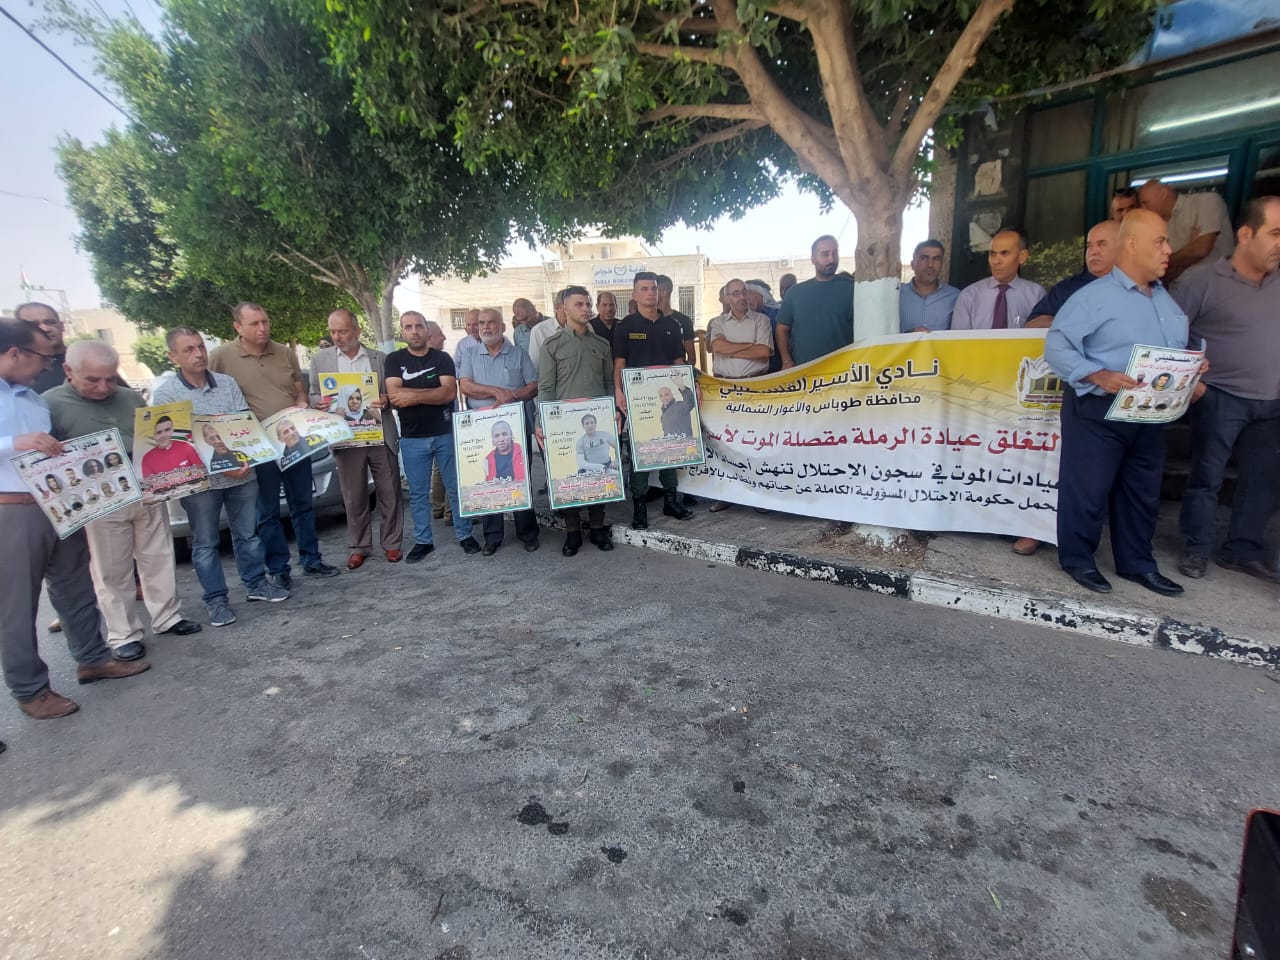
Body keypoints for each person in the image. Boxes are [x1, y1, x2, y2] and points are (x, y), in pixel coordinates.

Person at [0, 318, 150, 719]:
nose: (46, 365)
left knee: (75, 587)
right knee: (16, 606)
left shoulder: (32, 398)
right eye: (43, 357)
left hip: (58, 502)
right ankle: (31, 691)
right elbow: (20, 445)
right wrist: (14, 442)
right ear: (15, 353)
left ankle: (93, 659)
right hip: (11, 507)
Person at [1044, 208, 1192, 597]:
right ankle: (1078, 559)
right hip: (1099, 410)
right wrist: (1096, 374)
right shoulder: (1093, 297)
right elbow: (1056, 346)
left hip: (1151, 413)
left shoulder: (1166, 302)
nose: (1169, 250)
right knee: (1087, 491)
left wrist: (1190, 372)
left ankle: (1137, 564)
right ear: (1132, 244)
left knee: (1141, 494)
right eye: (1160, 241)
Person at [45, 339, 202, 661]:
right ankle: (123, 634)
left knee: (158, 555)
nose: (104, 387)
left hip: (146, 487)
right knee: (111, 568)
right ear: (69, 371)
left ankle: (167, 616)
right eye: (93, 380)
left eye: (110, 378)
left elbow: (152, 437)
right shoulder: (51, 403)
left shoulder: (129, 397)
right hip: (99, 498)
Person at [1173, 196, 1280, 582]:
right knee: (1207, 478)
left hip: (1271, 401)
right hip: (1218, 396)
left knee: (1263, 480)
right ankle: (1196, 549)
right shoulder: (1201, 281)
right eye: (1275, 233)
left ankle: (1241, 550)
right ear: (1246, 234)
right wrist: (1193, 382)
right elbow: (1171, 334)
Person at [153, 326, 288, 626]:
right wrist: (218, 465)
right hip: (201, 482)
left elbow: (243, 425)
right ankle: (216, 600)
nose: (199, 354)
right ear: (173, 356)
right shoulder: (166, 395)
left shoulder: (226, 384)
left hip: (241, 474)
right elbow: (173, 445)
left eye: (200, 346)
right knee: (205, 543)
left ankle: (256, 584)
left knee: (248, 535)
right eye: (188, 349)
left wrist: (244, 459)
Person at [209, 302, 339, 586]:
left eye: (265, 322)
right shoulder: (220, 357)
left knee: (303, 503)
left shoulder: (285, 353)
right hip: (258, 447)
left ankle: (312, 560)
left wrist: (302, 404)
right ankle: (279, 569)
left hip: (293, 441)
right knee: (267, 511)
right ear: (238, 327)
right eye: (254, 323)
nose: (262, 328)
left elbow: (299, 391)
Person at [309, 308, 405, 570]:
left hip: (378, 433)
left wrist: (386, 400)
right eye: (333, 332)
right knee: (353, 496)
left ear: (357, 331)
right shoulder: (321, 360)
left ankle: (392, 543)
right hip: (346, 438)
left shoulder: (379, 358)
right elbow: (313, 394)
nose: (337, 336)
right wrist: (317, 403)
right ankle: (359, 546)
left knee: (389, 491)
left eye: (343, 331)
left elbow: (393, 394)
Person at [385, 312, 480, 562]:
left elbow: (448, 393)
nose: (414, 331)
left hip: (445, 433)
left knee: (455, 488)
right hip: (412, 438)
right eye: (408, 327)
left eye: (419, 326)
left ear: (426, 330)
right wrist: (430, 393)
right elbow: (395, 396)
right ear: (402, 332)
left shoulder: (442, 358)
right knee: (418, 494)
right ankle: (423, 541)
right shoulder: (395, 360)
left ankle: (465, 534)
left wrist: (412, 395)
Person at [538, 285, 616, 555]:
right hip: (564, 423)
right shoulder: (552, 346)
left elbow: (608, 383)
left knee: (598, 472)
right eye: (579, 304)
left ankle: (597, 527)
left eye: (588, 304)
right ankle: (572, 531)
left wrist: (613, 414)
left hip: (597, 420)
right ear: (564, 309)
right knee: (569, 476)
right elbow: (546, 387)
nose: (586, 309)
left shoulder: (602, 345)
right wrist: (541, 421)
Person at [613, 271, 693, 528]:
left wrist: (690, 384)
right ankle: (639, 506)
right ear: (635, 294)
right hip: (639, 400)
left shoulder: (672, 325)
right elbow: (620, 363)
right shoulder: (626, 327)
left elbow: (678, 361)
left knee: (670, 447)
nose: (651, 293)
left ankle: (671, 500)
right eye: (645, 288)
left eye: (654, 288)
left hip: (668, 396)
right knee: (641, 450)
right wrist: (618, 390)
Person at [458, 308, 539, 555]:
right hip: (483, 428)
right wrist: (496, 392)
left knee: (520, 477)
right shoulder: (471, 353)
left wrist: (512, 396)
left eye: (491, 322)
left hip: (514, 426)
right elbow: (465, 386)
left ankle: (528, 533)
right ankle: (492, 537)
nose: (485, 327)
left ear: (502, 327)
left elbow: (533, 386)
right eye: (481, 323)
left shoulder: (518, 354)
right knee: (489, 479)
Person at [706, 279, 774, 512]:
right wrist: (748, 346)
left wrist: (731, 347)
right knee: (727, 444)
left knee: (755, 442)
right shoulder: (717, 322)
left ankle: (759, 495)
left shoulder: (761, 320)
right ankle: (728, 494)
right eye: (735, 293)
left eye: (744, 292)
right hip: (725, 388)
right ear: (727, 298)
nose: (741, 297)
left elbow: (763, 352)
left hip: (754, 387)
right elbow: (718, 347)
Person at [776, 235, 855, 368]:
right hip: (805, 372)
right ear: (813, 259)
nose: (832, 259)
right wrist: (786, 360)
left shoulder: (853, 288)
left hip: (843, 370)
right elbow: (782, 329)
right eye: (825, 254)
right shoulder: (795, 293)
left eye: (835, 253)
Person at [1137, 178, 1234, 285]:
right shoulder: (1156, 225)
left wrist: (1165, 261)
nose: (1143, 209)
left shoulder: (1206, 201)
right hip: (1178, 291)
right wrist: (1188, 251)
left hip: (1214, 287)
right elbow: (1162, 277)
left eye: (1145, 203)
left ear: (1163, 194)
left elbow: (1201, 249)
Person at [1027, 221, 1121, 327]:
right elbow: (1032, 325)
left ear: (1122, 248)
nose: (1093, 251)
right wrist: (1074, 323)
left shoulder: (1134, 286)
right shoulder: (1067, 288)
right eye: (1089, 246)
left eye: (1101, 244)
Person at [951, 228, 1047, 330]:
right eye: (992, 254)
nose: (996, 261)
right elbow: (958, 339)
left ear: (1022, 256)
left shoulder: (1036, 295)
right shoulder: (970, 296)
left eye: (1004, 253)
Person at [899, 240, 961, 333]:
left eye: (936, 259)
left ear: (942, 265)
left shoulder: (956, 297)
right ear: (912, 264)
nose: (930, 265)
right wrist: (908, 335)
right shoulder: (897, 295)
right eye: (924, 258)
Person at [14, 302, 69, 394]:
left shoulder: (83, 359)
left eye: (50, 322)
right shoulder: (14, 372)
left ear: (62, 326)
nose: (45, 329)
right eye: (34, 325)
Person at [140, 415, 203, 480]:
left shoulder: (186, 447)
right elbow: (150, 484)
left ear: (172, 430)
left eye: (167, 430)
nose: (163, 435)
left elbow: (202, 473)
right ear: (154, 435)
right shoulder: (147, 459)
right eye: (159, 432)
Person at [655, 274, 696, 364]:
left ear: (664, 293)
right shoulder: (648, 320)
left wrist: (685, 372)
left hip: (676, 371)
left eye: (654, 289)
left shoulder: (684, 321)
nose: (650, 293)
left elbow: (691, 358)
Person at [528, 289, 567, 373]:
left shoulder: (586, 327)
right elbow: (536, 365)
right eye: (577, 305)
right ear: (557, 307)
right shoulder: (539, 330)